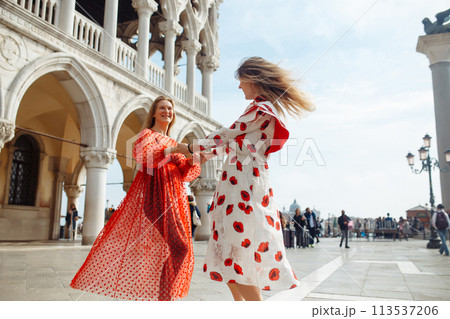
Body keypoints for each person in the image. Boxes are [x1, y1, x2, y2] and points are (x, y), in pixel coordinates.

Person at [165, 56, 314, 301]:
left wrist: (187, 148)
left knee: (239, 250)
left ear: (252, 79)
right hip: (237, 182)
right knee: (230, 250)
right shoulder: (258, 109)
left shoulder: (261, 109)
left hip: (243, 185)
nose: (239, 86)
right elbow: (235, 143)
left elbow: (227, 136)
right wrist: (202, 154)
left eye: (241, 81)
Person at [70, 96, 201, 301]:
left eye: (170, 108)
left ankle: (165, 295)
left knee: (178, 247)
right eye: (162, 108)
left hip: (174, 197)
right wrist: (174, 150)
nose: (167, 111)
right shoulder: (147, 134)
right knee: (180, 246)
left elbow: (184, 172)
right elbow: (145, 157)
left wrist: (195, 159)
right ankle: (165, 297)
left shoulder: (173, 141)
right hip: (157, 197)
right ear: (154, 113)